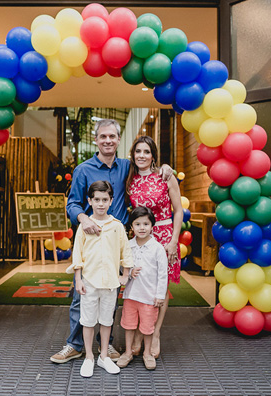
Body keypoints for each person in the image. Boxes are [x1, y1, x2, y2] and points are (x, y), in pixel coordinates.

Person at [51, 119, 172, 364]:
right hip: (91, 242)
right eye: (103, 136)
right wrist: (83, 218)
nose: (107, 140)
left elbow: (147, 163)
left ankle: (105, 346)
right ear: (96, 140)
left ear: (118, 140)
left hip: (118, 242)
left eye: (112, 137)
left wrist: (165, 167)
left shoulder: (126, 166)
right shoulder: (83, 170)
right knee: (82, 295)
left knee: (112, 293)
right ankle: (75, 345)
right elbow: (72, 203)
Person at [66, 181, 134, 377]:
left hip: (111, 284)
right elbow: (77, 253)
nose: (101, 204)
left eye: (105, 200)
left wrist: (125, 275)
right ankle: (89, 357)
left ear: (111, 201)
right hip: (89, 282)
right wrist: (78, 280)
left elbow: (125, 252)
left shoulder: (117, 226)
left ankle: (103, 356)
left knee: (106, 321)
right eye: (97, 200)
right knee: (87, 321)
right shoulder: (85, 226)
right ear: (90, 201)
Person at [125, 135, 184, 359]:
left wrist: (173, 241)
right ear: (133, 154)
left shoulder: (165, 176)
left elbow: (178, 210)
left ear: (153, 156)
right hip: (139, 236)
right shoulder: (129, 179)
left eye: (146, 152)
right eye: (138, 151)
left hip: (164, 235)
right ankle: (141, 333)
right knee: (140, 283)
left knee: (161, 285)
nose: (142, 156)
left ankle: (155, 333)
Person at [115, 206, 169, 370]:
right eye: (137, 224)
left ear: (152, 225)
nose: (142, 228)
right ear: (131, 227)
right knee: (129, 325)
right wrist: (130, 272)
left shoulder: (157, 248)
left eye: (146, 224)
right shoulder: (128, 246)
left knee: (147, 327)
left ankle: (147, 353)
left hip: (149, 297)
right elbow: (120, 266)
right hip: (131, 295)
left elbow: (162, 274)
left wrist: (159, 295)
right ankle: (128, 352)